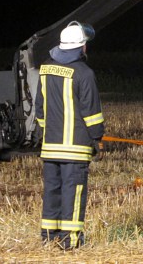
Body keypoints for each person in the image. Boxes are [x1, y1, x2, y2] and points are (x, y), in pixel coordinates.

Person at [35, 20, 104, 250]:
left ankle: (48, 236)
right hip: (75, 148)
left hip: (50, 146)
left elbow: (40, 109)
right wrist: (97, 138)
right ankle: (70, 240)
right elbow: (91, 113)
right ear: (82, 47)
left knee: (52, 192)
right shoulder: (84, 73)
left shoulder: (45, 69)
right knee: (73, 193)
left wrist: (48, 132)